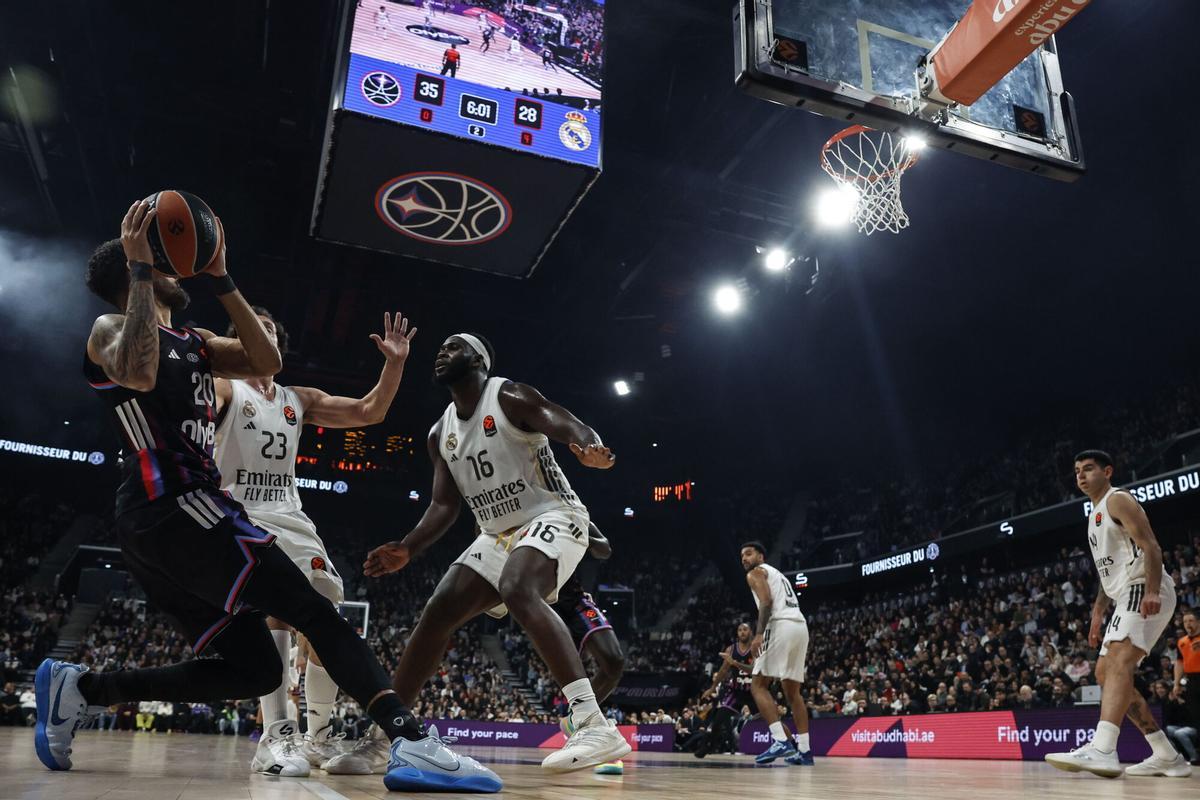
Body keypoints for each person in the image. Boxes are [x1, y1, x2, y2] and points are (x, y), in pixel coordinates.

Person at [35, 200, 499, 793]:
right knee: (313, 608)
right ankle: (409, 739)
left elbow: (267, 362)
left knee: (255, 667)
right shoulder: (112, 330)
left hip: (173, 521)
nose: (175, 268)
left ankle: (84, 689)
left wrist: (223, 276)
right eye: (158, 263)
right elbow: (142, 375)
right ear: (133, 274)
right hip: (176, 504)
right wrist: (143, 271)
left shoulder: (199, 342)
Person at [364, 333, 630, 773]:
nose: (442, 352)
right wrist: (407, 547)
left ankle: (592, 723)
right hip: (496, 532)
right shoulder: (440, 432)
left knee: (517, 585)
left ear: (479, 359)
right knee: (438, 611)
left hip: (553, 513)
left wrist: (589, 445)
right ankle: (386, 736)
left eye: (453, 346)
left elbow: (561, 420)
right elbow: (444, 505)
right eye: (441, 347)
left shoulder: (508, 395)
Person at [214, 307, 417, 776]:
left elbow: (371, 411)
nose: (263, 334)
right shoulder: (227, 387)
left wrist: (395, 363)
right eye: (252, 330)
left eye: (270, 329)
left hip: (291, 516)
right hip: (241, 513)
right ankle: (275, 735)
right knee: (277, 612)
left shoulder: (296, 398)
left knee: (326, 607)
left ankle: (318, 735)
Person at [1045, 450, 1189, 778]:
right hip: (1122, 593)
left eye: (1089, 469)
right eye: (1077, 471)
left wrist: (1152, 589)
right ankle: (1166, 754)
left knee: (1120, 662)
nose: (1081, 475)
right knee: (1103, 673)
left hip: (1143, 585)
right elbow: (1105, 571)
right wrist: (1098, 612)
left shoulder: (1117, 499)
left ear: (1107, 471)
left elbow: (1151, 546)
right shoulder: (1094, 513)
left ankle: (1104, 749)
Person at [553, 522, 626, 774]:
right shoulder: (514, 508)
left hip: (574, 600)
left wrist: (582, 535)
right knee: (575, 677)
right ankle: (588, 731)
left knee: (614, 662)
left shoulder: (569, 508)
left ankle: (577, 721)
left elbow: (604, 549)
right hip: (539, 605)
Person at [739, 541, 812, 766]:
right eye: (742, 556)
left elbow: (766, 602)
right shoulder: (778, 574)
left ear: (761, 556)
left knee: (758, 685)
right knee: (792, 693)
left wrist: (759, 634)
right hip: (800, 626)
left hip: (780, 625)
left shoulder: (755, 573)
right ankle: (805, 751)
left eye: (749, 554)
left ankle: (781, 740)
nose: (744, 559)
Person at [695, 622, 755, 758]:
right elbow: (723, 671)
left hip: (754, 691)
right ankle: (708, 746)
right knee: (718, 720)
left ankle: (789, 744)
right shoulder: (731, 649)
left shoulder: (755, 648)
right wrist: (712, 688)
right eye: (740, 630)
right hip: (736, 691)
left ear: (750, 632)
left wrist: (734, 663)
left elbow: (753, 669)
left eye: (745, 629)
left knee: (771, 719)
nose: (742, 632)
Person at [1175, 608, 1200, 728]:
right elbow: (1179, 662)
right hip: (1191, 680)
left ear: (1198, 622)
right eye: (1185, 621)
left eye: (1191, 620)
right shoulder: (1181, 641)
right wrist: (1176, 684)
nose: (1187, 624)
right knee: (1195, 714)